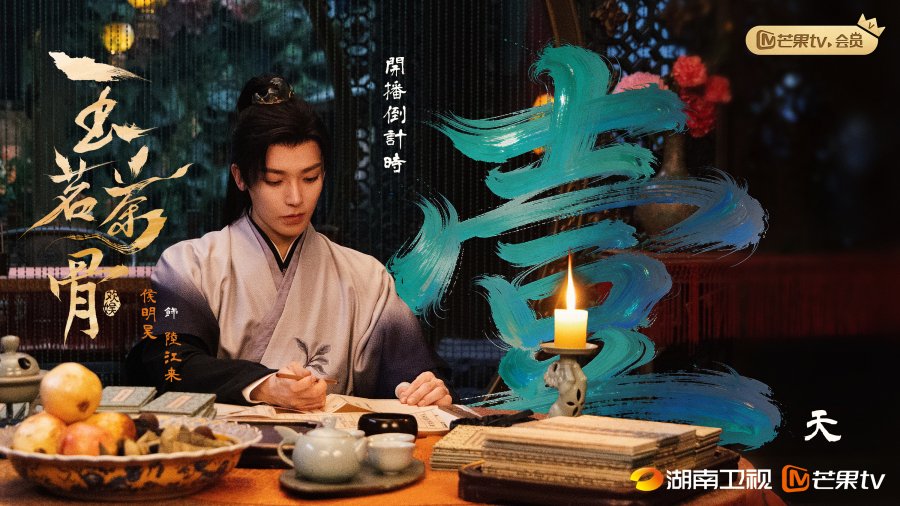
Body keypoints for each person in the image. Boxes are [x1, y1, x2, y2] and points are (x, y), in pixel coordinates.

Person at [127, 75, 452, 410]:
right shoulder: (189, 266)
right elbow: (167, 363)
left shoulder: (367, 279)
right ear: (241, 178)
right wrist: (262, 386)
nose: (296, 198)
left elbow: (413, 374)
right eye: (275, 180)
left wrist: (426, 389)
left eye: (310, 178)